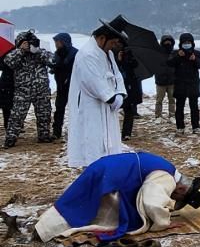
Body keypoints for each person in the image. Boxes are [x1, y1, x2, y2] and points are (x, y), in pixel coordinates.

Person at [34, 151, 200, 243]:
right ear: (181, 188)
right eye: (177, 197)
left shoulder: (168, 167)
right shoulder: (167, 178)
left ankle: (43, 228)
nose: (173, 198)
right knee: (89, 213)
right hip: (111, 179)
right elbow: (152, 202)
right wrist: (163, 222)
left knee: (76, 203)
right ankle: (45, 231)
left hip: (106, 168)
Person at [66, 19, 128, 168]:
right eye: (112, 43)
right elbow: (92, 81)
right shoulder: (86, 54)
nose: (113, 46)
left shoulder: (108, 54)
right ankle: (93, 169)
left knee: (109, 142)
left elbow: (117, 75)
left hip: (108, 107)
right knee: (93, 142)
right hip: (91, 107)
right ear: (102, 38)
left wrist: (120, 93)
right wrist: (111, 97)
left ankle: (108, 167)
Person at [3, 31, 55, 148]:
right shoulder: (16, 54)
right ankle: (10, 139)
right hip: (23, 91)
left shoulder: (40, 53)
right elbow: (8, 62)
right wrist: (21, 50)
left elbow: (53, 61)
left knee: (44, 114)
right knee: (16, 116)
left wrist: (37, 51)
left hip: (41, 90)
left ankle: (44, 136)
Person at [167, 33, 200, 136]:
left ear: (192, 43)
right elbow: (169, 63)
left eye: (188, 42)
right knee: (179, 107)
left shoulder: (197, 53)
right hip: (180, 83)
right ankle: (180, 127)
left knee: (194, 107)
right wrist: (178, 57)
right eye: (184, 42)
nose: (187, 44)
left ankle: (196, 127)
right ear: (181, 43)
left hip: (193, 84)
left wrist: (195, 60)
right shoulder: (176, 53)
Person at [51, 33, 78, 140]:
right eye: (55, 42)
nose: (56, 44)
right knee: (59, 109)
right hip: (61, 86)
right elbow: (58, 66)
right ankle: (56, 132)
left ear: (64, 42)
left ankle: (75, 131)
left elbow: (77, 70)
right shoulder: (57, 53)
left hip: (73, 87)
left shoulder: (75, 54)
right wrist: (53, 68)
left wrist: (69, 78)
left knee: (75, 110)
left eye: (57, 42)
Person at [117, 48, 142, 141]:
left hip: (130, 88)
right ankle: (115, 133)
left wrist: (129, 58)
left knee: (129, 111)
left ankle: (126, 133)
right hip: (118, 88)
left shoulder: (131, 58)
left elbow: (136, 65)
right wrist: (119, 60)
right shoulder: (114, 56)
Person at [154, 35, 176, 122]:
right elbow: (153, 66)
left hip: (172, 81)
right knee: (159, 100)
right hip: (160, 81)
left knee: (172, 99)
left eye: (169, 41)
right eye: (166, 41)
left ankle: (172, 116)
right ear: (162, 43)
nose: (168, 43)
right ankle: (158, 116)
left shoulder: (174, 54)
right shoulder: (157, 54)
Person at [0, 59, 14, 132]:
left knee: (13, 105)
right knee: (6, 106)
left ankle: (11, 125)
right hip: (6, 82)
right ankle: (7, 125)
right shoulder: (5, 55)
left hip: (16, 81)